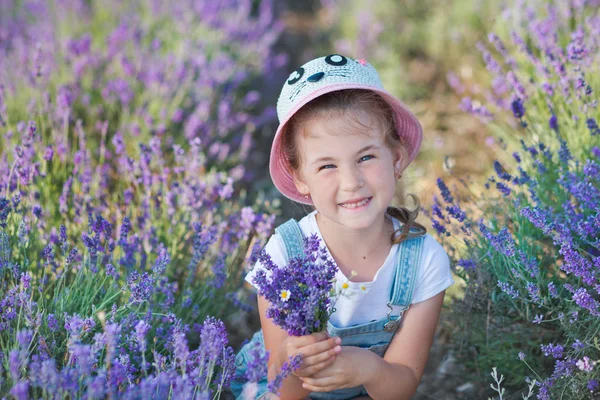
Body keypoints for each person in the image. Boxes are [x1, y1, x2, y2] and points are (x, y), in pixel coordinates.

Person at [230, 54, 454, 400]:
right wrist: (295, 363)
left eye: (366, 157)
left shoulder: (423, 260)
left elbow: (402, 384)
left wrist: (370, 369)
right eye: (327, 166)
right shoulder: (285, 255)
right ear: (300, 178)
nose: (351, 182)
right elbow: (283, 391)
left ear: (396, 158)